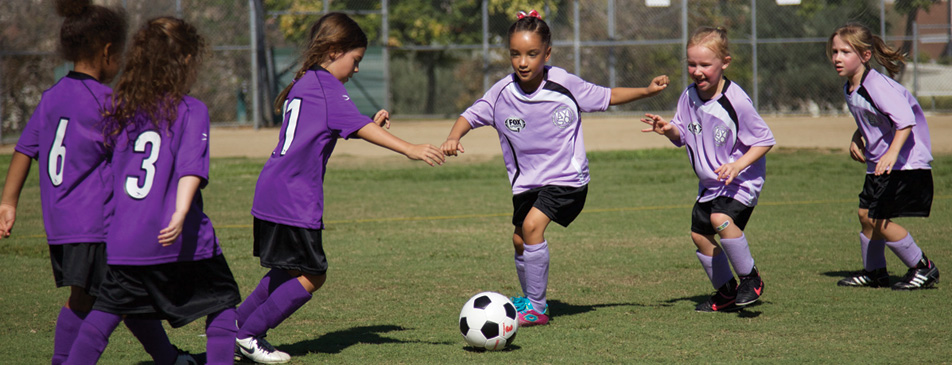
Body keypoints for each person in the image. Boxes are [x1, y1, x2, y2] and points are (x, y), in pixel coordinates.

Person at [238, 12, 445, 363]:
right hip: (294, 198)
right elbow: (358, 128)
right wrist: (410, 148)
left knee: (290, 269)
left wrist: (368, 123)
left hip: (272, 190)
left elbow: (330, 129)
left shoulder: (305, 82)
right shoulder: (326, 86)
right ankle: (248, 334)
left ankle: (234, 324)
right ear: (334, 50)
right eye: (356, 60)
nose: (357, 69)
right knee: (314, 275)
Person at [440, 10, 669, 326]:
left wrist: (647, 91)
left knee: (533, 227)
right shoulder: (501, 93)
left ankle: (537, 306)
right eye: (516, 54)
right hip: (527, 183)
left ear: (546, 54)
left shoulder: (564, 84)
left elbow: (608, 96)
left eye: (532, 54)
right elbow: (471, 115)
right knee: (519, 239)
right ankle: (528, 300)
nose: (523, 62)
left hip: (567, 179)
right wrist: (454, 136)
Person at [0, 2, 189, 364]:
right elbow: (133, 160)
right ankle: (167, 358)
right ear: (108, 52)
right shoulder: (106, 103)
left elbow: (24, 149)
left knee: (89, 297)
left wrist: (8, 202)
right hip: (96, 225)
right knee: (121, 296)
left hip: (61, 225)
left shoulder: (52, 98)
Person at [64, 16, 239, 364]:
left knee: (103, 319)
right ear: (184, 61)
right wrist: (180, 210)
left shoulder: (119, 109)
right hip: (180, 239)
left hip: (125, 240)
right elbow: (191, 169)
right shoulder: (190, 109)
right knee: (222, 306)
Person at [640, 27, 774, 313]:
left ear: (724, 62)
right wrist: (668, 130)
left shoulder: (735, 101)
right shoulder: (688, 96)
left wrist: (738, 165)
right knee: (699, 235)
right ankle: (726, 293)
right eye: (692, 64)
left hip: (740, 182)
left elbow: (764, 141)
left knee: (720, 218)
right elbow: (682, 136)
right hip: (710, 184)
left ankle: (751, 278)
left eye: (705, 65)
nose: (697, 71)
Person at [827, 23, 939, 290]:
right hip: (880, 163)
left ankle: (924, 268)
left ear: (865, 56)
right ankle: (875, 272)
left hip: (904, 163)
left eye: (845, 51)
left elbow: (905, 121)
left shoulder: (876, 85)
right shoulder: (850, 88)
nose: (837, 58)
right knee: (865, 215)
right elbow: (874, 117)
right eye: (834, 51)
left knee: (879, 219)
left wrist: (891, 153)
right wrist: (857, 136)